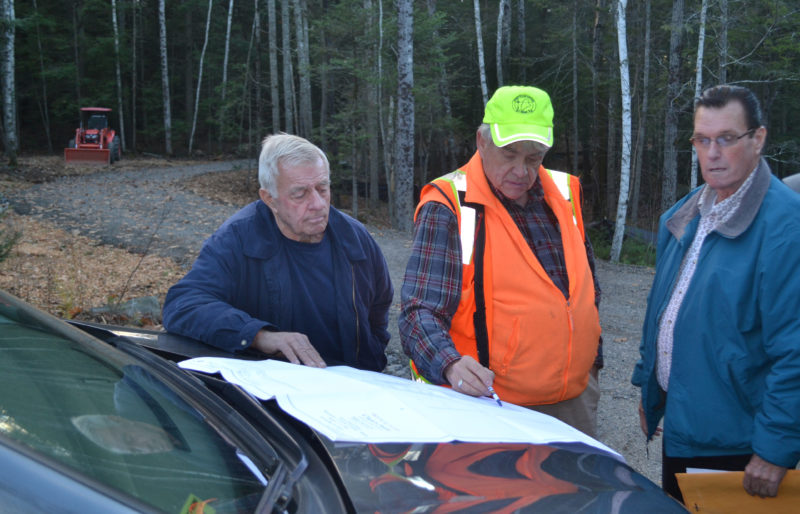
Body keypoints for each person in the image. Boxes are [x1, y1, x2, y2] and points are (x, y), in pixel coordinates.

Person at [399, 85, 603, 437]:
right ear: (481, 141)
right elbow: (418, 312)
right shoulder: (449, 204)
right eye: (509, 154)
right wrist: (449, 365)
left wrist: (592, 361)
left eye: (533, 157)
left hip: (573, 404)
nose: (521, 170)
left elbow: (587, 291)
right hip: (490, 404)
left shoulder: (564, 193)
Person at [632, 84, 800, 502]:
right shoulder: (685, 215)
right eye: (702, 140)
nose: (712, 153)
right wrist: (648, 386)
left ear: (757, 139)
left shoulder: (786, 229)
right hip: (684, 427)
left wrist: (775, 449)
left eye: (726, 138)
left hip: (738, 445)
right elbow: (663, 313)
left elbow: (795, 350)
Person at [162, 133, 393, 371]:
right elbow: (183, 305)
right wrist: (259, 336)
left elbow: (379, 307)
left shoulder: (354, 237)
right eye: (300, 194)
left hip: (354, 388)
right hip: (272, 394)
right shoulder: (239, 239)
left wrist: (372, 355)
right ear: (269, 199)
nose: (317, 204)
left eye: (322, 189)